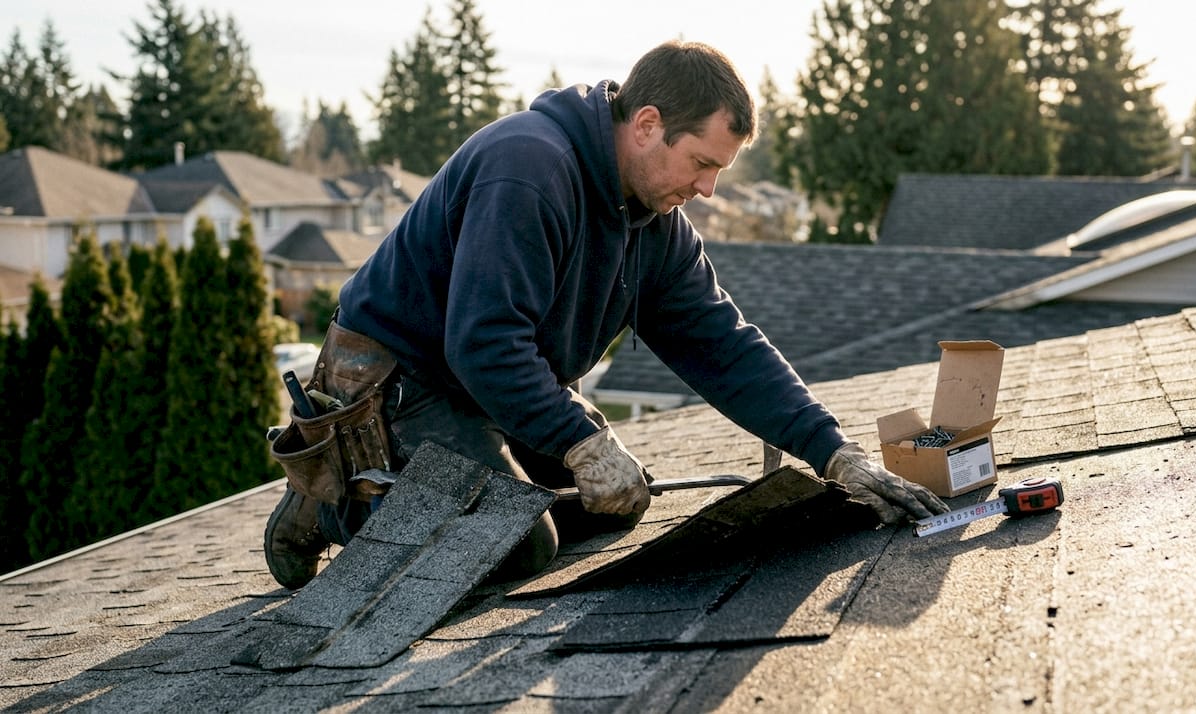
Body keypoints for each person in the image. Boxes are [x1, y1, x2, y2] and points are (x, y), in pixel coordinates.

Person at [264, 40, 948, 590]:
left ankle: (467, 489)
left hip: (492, 384)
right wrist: (582, 441)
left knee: (620, 502)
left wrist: (835, 454)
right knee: (518, 545)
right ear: (648, 124)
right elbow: (484, 343)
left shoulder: (654, 220)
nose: (707, 190)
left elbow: (723, 345)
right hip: (402, 385)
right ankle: (336, 500)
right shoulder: (528, 168)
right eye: (702, 164)